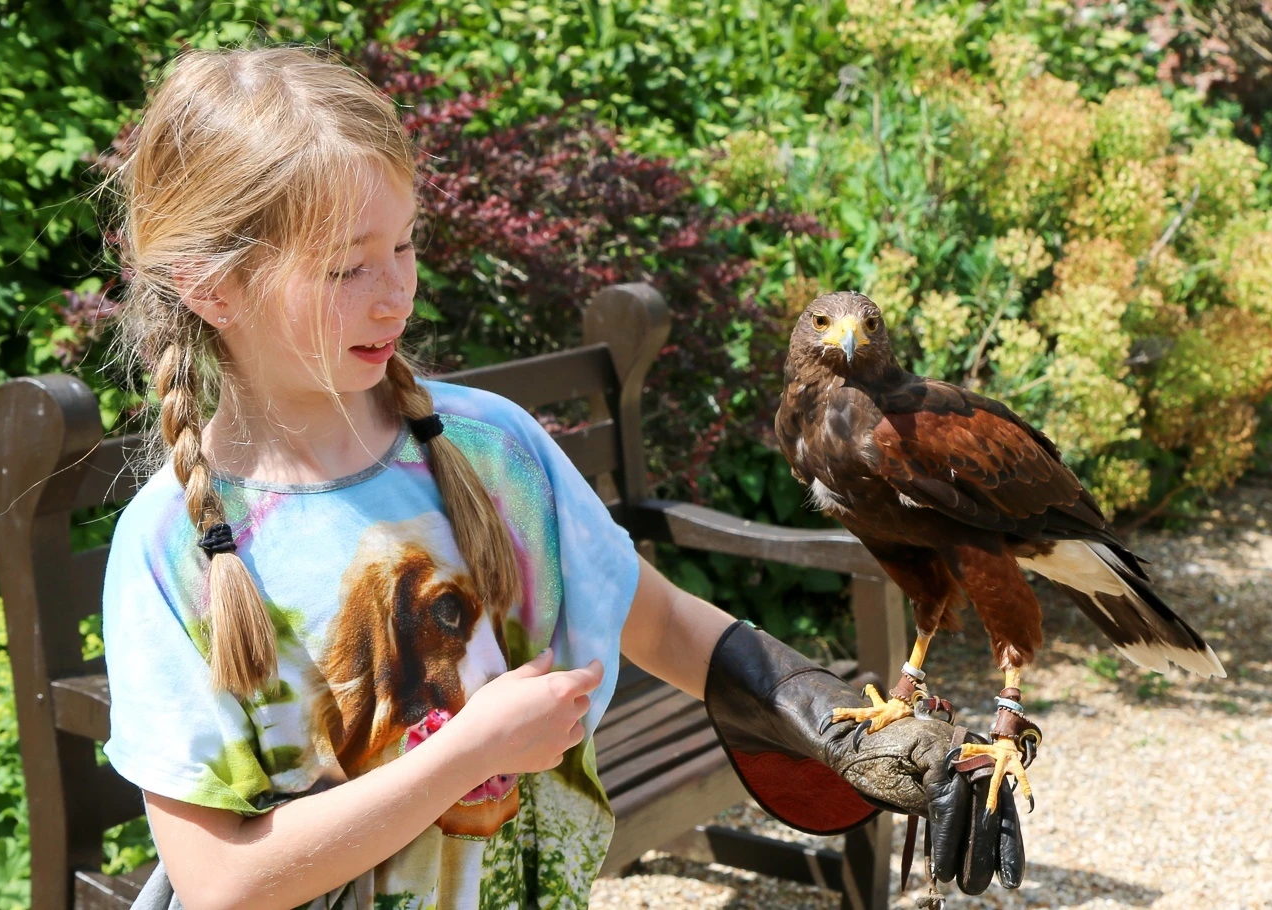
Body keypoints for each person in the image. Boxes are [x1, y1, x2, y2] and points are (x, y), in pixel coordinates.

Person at [97, 44, 1023, 910]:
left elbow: (654, 618)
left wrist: (832, 721)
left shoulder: (491, 447)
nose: (396, 293)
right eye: (346, 268)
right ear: (210, 286)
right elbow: (219, 880)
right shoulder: (171, 546)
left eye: (406, 246)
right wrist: (468, 754)